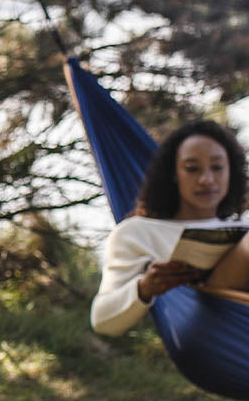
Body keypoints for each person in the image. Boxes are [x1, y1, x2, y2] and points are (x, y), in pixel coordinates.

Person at [91, 118, 249, 336]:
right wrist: (145, 287)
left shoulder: (243, 225)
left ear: (231, 172)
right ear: (174, 174)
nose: (206, 179)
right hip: (207, 337)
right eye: (192, 169)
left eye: (217, 167)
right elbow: (102, 321)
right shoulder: (137, 233)